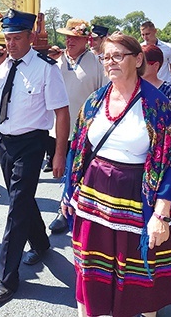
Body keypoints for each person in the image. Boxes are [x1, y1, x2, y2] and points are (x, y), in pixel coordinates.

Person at [62, 32, 171, 317]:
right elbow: (78, 148)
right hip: (93, 198)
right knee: (89, 268)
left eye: (117, 56)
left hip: (137, 198)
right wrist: (68, 191)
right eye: (105, 57)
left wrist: (161, 215)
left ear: (137, 60)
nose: (110, 62)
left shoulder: (158, 106)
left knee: (139, 274)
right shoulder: (94, 101)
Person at [0, 9, 70, 305]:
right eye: (7, 37)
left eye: (16, 37)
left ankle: (7, 276)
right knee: (22, 200)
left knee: (16, 206)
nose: (11, 43)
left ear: (30, 36)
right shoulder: (0, 65)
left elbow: (62, 112)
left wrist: (59, 154)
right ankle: (40, 244)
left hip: (32, 143)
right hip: (6, 143)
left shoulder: (46, 68)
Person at [46, 19, 108, 234]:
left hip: (86, 129)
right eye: (67, 36)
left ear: (86, 40)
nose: (69, 41)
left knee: (80, 171)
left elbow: (105, 95)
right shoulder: (56, 60)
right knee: (63, 170)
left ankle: (72, 211)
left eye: (75, 37)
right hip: (57, 127)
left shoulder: (97, 63)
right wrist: (48, 60)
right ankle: (65, 208)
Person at [142, 44, 171, 143]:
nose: (137, 66)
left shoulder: (169, 90)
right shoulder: (132, 89)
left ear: (156, 65)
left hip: (161, 147)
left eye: (143, 63)